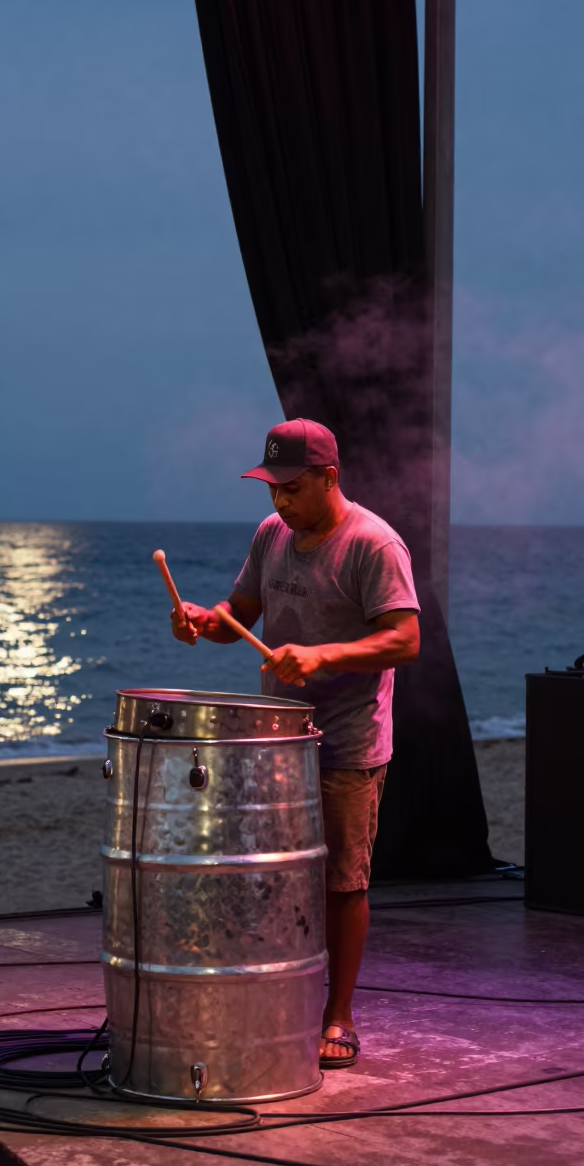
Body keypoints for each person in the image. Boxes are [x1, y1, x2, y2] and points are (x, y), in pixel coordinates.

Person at [171, 418, 420, 1069]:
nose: (279, 501)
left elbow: (405, 639)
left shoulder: (375, 544)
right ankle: (275, 993)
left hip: (347, 739)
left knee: (342, 878)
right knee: (275, 876)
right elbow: (239, 616)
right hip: (277, 735)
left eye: (291, 487)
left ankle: (339, 1014)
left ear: (328, 478)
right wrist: (204, 620)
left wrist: (323, 655)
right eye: (271, 487)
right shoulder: (271, 535)